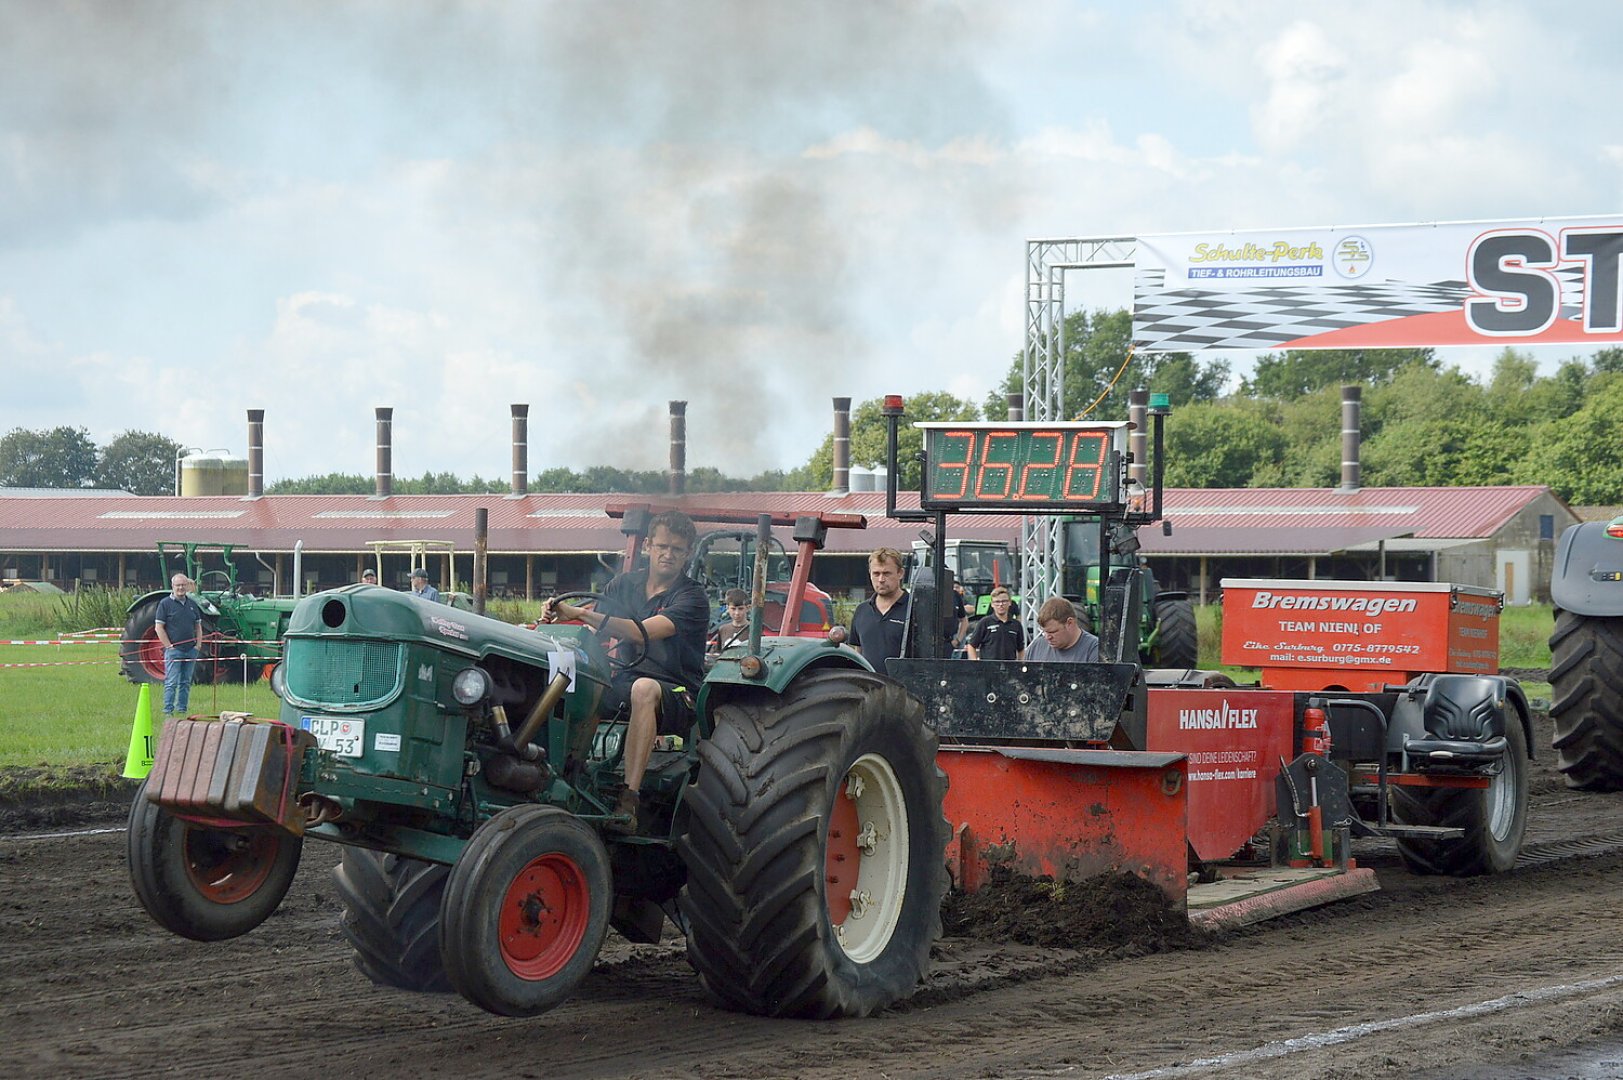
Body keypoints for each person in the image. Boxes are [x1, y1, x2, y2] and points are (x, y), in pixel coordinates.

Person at [541, 510, 707, 834]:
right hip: (625, 679)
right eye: (662, 546)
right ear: (647, 545)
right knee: (578, 679)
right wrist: (557, 616)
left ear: (687, 553)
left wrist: (579, 613)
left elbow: (640, 632)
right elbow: (595, 632)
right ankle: (563, 774)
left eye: (676, 549)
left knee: (644, 689)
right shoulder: (623, 584)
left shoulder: (692, 596)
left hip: (678, 692)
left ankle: (629, 797)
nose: (668, 554)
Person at [848, 547, 911, 677]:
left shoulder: (915, 609)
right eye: (876, 574)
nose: (881, 579)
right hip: (869, 689)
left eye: (887, 573)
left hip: (906, 691)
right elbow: (858, 652)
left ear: (900, 573)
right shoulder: (862, 611)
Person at [154, 572, 204, 717]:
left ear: (187, 586)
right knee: (171, 682)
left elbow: (198, 626)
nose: (181, 588)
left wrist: (198, 645)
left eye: (183, 585)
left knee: (185, 682)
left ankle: (182, 709)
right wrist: (169, 646)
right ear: (173, 586)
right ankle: (168, 711)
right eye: (178, 585)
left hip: (191, 650)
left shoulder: (193, 604)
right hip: (174, 651)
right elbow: (159, 627)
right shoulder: (165, 604)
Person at [1026, 596, 1101, 663]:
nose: (1047, 637)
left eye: (1053, 632)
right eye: (1044, 632)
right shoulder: (1036, 648)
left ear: (1070, 623)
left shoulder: (1095, 650)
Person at [966, 586, 1025, 660]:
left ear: (1010, 603)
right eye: (997, 602)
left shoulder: (1016, 625)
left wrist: (1019, 666)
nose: (1001, 604)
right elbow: (972, 645)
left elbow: (1021, 649)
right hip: (988, 668)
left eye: (1004, 601)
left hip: (1010, 669)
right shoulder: (984, 622)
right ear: (992, 604)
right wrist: (975, 664)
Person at [708, 588, 751, 654]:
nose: (737, 613)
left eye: (740, 609)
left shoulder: (754, 630)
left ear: (748, 608)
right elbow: (718, 653)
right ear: (727, 608)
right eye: (733, 609)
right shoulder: (723, 629)